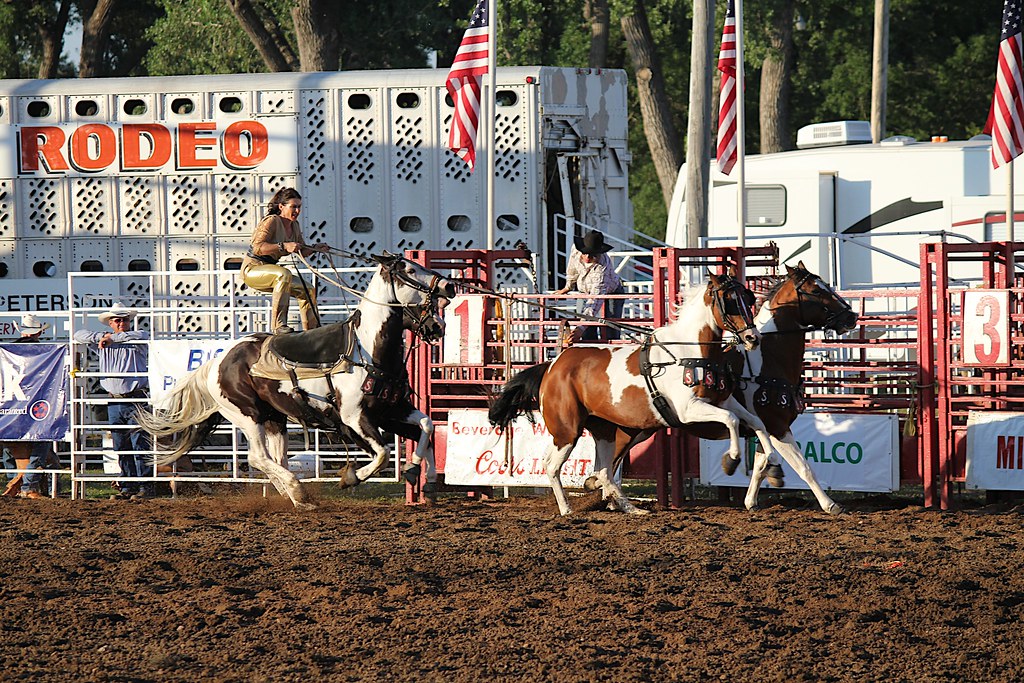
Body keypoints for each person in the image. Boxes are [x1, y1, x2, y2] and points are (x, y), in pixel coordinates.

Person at [73, 304, 152, 500]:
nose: (121, 323)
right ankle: (128, 486)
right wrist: (102, 338)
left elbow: (143, 335)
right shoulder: (104, 342)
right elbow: (78, 334)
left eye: (124, 320)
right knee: (121, 445)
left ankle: (144, 486)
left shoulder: (135, 339)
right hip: (115, 400)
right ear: (111, 323)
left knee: (139, 444)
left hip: (136, 397)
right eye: (117, 320)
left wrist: (111, 338)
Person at [241, 187, 332, 334]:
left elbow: (301, 250)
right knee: (283, 274)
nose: (297, 211)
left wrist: (316, 248)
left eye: (299, 207)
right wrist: (283, 246)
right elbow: (257, 247)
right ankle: (279, 325)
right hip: (253, 269)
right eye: (293, 207)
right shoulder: (271, 221)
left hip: (271, 269)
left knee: (308, 289)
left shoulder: (294, 225)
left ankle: (312, 331)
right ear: (281, 207)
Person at [1, 314, 54, 500]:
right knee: (41, 440)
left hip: (9, 404)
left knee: (10, 443)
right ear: (39, 331)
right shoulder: (44, 352)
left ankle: (13, 480)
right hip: (34, 404)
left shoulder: (7, 350)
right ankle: (27, 485)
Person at [553, 229, 626, 342]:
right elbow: (572, 269)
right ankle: (590, 351)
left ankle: (608, 352)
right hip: (585, 291)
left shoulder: (602, 269)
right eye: (585, 253)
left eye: (592, 255)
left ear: (599, 253)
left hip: (610, 292)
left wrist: (581, 327)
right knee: (586, 331)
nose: (587, 257)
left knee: (611, 329)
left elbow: (595, 300)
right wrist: (568, 287)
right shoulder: (576, 250)